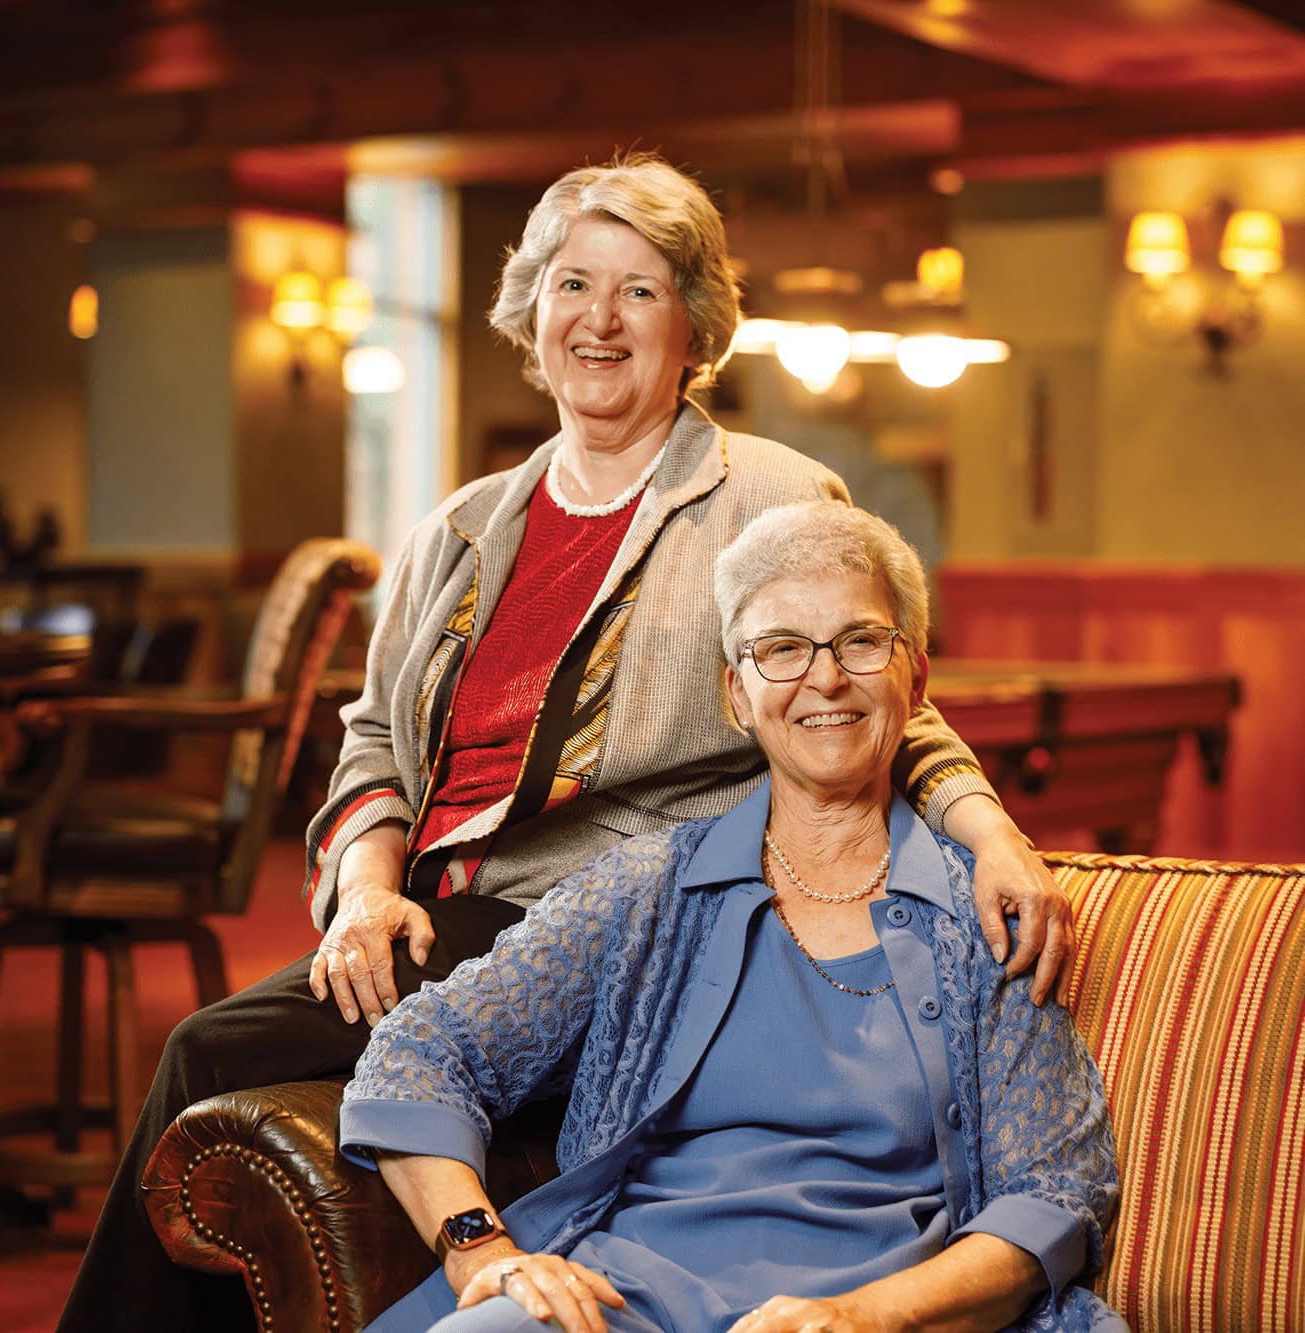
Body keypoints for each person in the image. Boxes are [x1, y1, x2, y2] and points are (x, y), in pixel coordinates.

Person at [59, 155, 1074, 1332]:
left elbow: (870, 684)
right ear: (530, 316)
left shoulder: (773, 494)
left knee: (204, 1049)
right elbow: (374, 738)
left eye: (640, 290)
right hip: (427, 915)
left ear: (694, 323)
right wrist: (365, 892)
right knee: (240, 1077)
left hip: (608, 915)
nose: (599, 319)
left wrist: (989, 831)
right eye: (571, 285)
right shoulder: (463, 522)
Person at [343, 501, 1123, 1333]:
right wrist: (484, 1252)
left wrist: (862, 1316)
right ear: (737, 697)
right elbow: (422, 1051)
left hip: (877, 1310)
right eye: (781, 649)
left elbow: (1052, 1192)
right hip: (621, 1303)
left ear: (915, 679)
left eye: (860, 642)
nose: (823, 679)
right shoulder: (646, 891)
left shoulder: (982, 911)